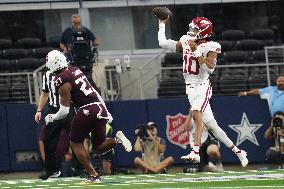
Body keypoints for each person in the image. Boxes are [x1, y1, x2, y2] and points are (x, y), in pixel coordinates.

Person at [157, 16, 248, 167]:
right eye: (192, 28)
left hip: (202, 85)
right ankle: (239, 152)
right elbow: (163, 43)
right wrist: (161, 24)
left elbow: (210, 69)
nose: (192, 31)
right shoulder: (186, 40)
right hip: (189, 87)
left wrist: (196, 51)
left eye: (196, 29)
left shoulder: (211, 46)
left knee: (196, 112)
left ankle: (195, 152)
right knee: (213, 126)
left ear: (204, 32)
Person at [44, 50, 132, 183]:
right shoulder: (75, 70)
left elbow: (64, 112)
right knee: (98, 147)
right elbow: (94, 92)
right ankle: (116, 140)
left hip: (86, 110)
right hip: (99, 108)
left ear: (53, 64)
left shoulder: (60, 79)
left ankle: (94, 175)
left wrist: (52, 117)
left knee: (75, 142)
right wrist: (106, 111)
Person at [35, 70, 73, 180]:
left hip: (68, 108)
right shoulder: (47, 75)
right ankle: (52, 170)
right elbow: (45, 93)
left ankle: (85, 169)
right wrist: (39, 110)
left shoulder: (68, 72)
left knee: (78, 138)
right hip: (54, 109)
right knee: (47, 139)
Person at [60, 14, 99, 90]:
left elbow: (95, 40)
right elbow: (61, 43)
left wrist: (94, 47)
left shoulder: (86, 30)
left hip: (86, 59)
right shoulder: (67, 32)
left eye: (78, 23)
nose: (77, 25)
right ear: (72, 22)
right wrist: (65, 49)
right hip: (72, 59)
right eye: (75, 23)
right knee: (73, 79)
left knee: (88, 79)